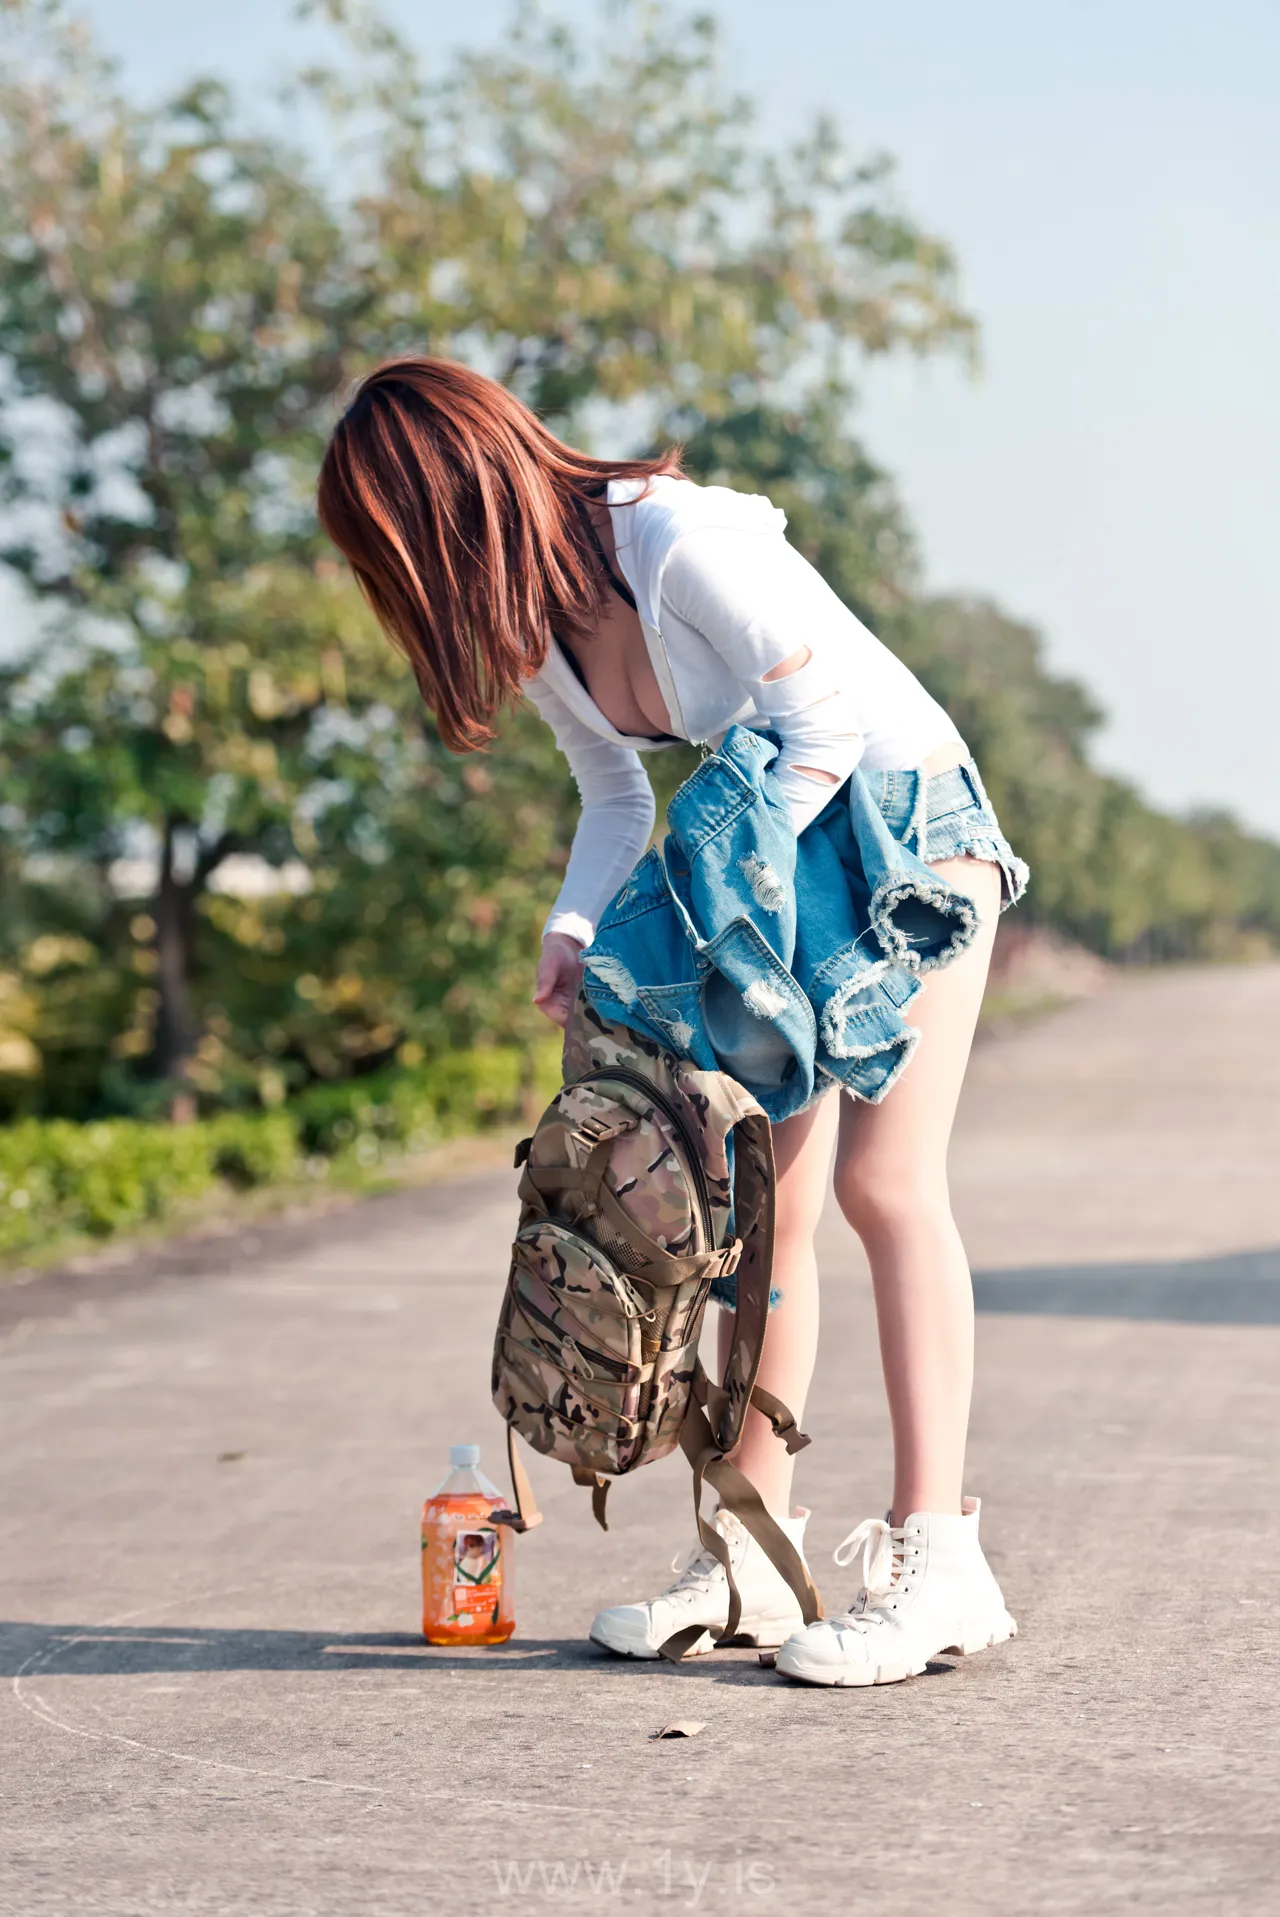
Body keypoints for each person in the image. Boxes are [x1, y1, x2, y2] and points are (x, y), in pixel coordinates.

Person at [318, 354, 1024, 1689]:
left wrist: (718, 908)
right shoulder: (536, 617)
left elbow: (816, 726)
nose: (404, 583)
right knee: (771, 1210)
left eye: (401, 547)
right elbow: (611, 790)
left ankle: (942, 1561)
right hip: (784, 854)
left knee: (887, 1185)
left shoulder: (676, 540)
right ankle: (757, 1551)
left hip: (903, 830)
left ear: (452, 509)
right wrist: (579, 928)